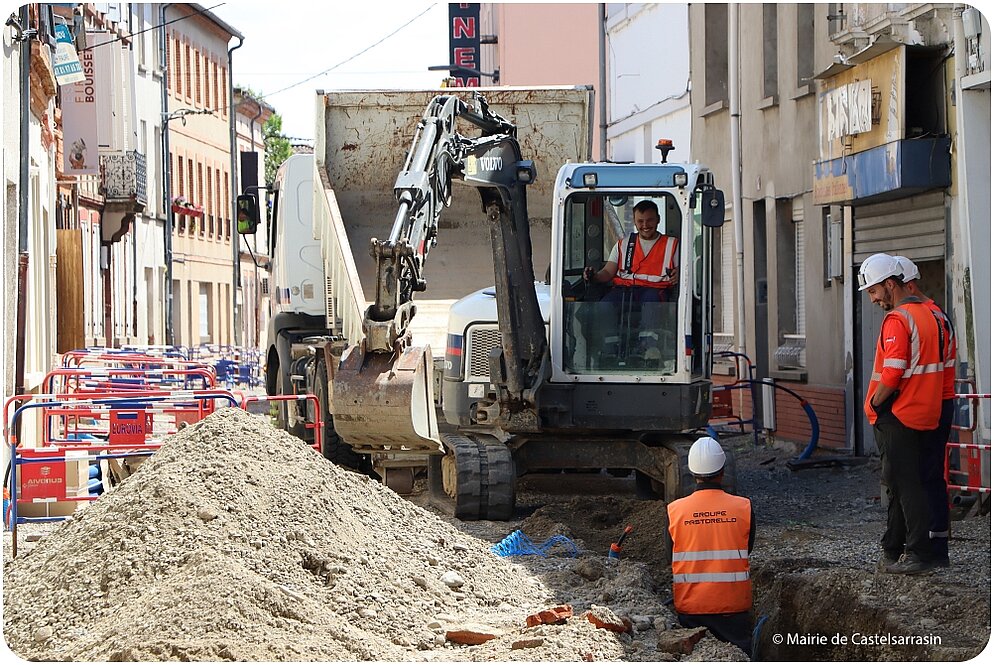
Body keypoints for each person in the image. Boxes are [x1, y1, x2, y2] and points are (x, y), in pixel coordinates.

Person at [858, 253, 944, 574]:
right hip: (926, 411)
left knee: (905, 486)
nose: (873, 299)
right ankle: (892, 549)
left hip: (900, 414)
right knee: (904, 482)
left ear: (890, 284)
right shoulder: (930, 315)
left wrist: (875, 404)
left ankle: (917, 553)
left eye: (874, 291)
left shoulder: (897, 320)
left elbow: (892, 374)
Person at [667, 436, 755, 657]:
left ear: (693, 473)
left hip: (691, 610)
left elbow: (671, 555)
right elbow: (746, 548)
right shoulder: (743, 507)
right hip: (733, 611)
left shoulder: (675, 511)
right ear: (723, 471)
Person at [894, 255, 956, 567]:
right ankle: (939, 547)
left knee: (917, 477)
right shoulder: (939, 315)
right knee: (933, 476)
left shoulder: (916, 318)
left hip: (925, 403)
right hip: (943, 401)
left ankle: (923, 548)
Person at [583, 199, 679, 356]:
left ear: (658, 220)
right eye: (640, 221)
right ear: (634, 222)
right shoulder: (623, 244)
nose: (645, 225)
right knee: (604, 306)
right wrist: (593, 276)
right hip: (624, 291)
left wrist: (679, 273)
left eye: (650, 220)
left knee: (651, 304)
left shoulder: (671, 245)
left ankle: (649, 349)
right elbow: (607, 272)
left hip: (653, 291)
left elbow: (683, 271)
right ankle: (610, 350)